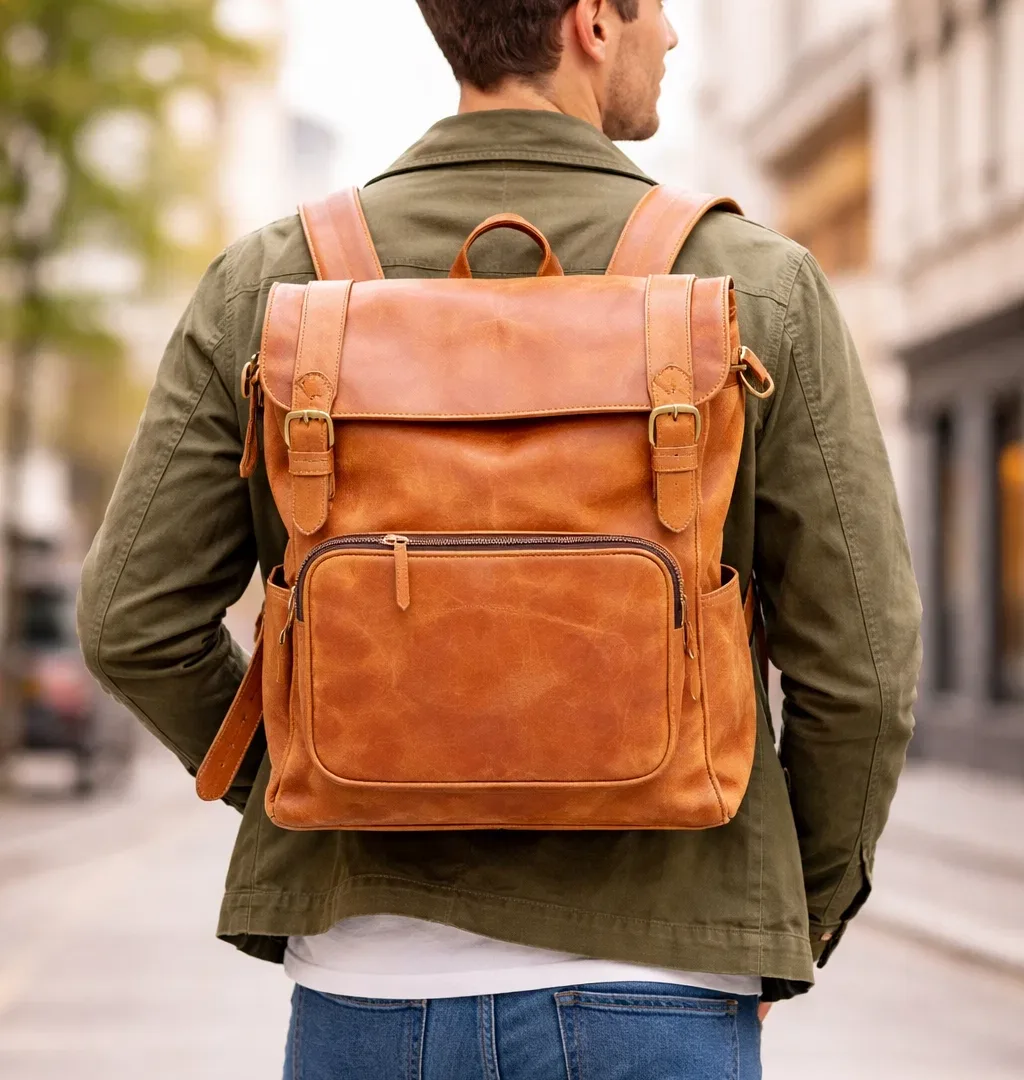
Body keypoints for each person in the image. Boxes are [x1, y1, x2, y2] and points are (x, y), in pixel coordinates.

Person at [77, 1, 923, 1077]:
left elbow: (128, 626)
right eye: (657, 8)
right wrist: (777, 923)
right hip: (659, 992)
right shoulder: (757, 282)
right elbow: (866, 669)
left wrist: (325, 778)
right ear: (591, 23)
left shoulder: (273, 283)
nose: (672, 38)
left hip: (368, 993)